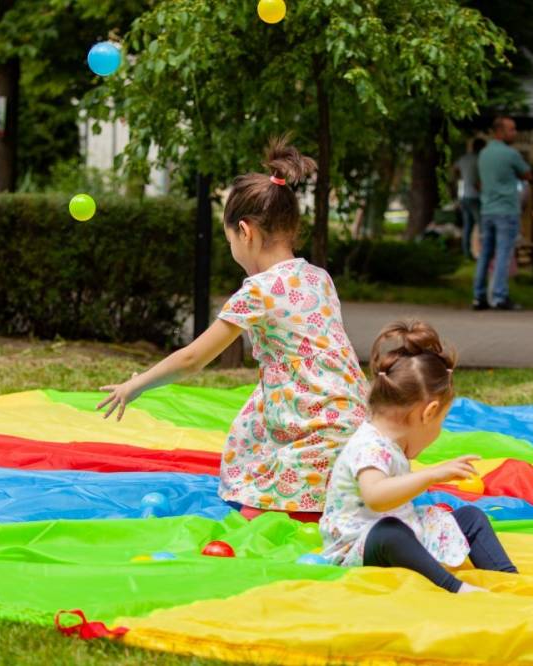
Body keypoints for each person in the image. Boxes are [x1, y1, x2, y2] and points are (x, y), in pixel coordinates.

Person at [97, 136, 369, 519]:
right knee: (256, 416)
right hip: (363, 429)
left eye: (229, 241)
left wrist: (135, 384)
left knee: (256, 521)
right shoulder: (318, 278)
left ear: (246, 232)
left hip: (322, 437)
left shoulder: (257, 291)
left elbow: (193, 358)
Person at [320, 319, 518, 593]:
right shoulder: (369, 445)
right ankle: (453, 588)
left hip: (402, 525)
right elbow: (375, 497)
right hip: (359, 547)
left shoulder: (391, 441)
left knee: (470, 517)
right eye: (441, 420)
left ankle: (509, 579)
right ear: (428, 413)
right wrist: (432, 474)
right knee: (391, 534)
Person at [473, 117, 532, 311]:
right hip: (506, 210)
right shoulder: (510, 154)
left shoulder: (483, 154)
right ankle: (499, 296)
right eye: (512, 130)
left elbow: (479, 181)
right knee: (504, 254)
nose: (515, 133)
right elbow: (527, 174)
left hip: (487, 210)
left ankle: (479, 296)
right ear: (500, 132)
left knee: (485, 254)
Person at [455, 138, 486, 258]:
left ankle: (466, 252)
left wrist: (461, 179)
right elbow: (478, 181)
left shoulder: (464, 158)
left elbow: (455, 169)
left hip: (465, 196)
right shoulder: (479, 159)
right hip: (475, 197)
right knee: (482, 224)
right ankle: (484, 252)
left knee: (467, 226)